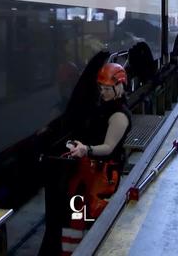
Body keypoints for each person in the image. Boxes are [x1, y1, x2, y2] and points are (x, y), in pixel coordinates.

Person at [59, 63, 132, 255]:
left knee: (95, 218)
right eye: (101, 88)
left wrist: (86, 149)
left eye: (107, 89)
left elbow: (108, 147)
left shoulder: (119, 116)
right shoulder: (104, 107)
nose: (103, 92)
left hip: (103, 177)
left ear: (119, 86)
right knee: (75, 214)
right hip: (86, 173)